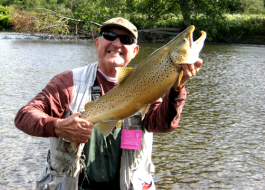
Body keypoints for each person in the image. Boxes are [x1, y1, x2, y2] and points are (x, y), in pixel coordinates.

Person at [15, 17, 203, 190]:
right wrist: (57, 127)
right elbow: (24, 115)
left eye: (126, 40)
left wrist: (178, 88)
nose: (116, 43)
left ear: (135, 51)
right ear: (97, 43)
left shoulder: (149, 83)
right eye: (109, 36)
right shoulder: (68, 82)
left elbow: (162, 124)